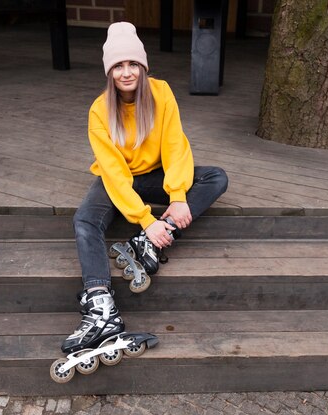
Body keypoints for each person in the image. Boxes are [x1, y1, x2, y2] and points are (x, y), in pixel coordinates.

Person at [61, 22, 228, 354]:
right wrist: (144, 219)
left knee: (215, 177)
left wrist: (177, 198)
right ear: (109, 72)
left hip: (155, 176)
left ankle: (148, 244)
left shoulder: (161, 93)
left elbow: (175, 146)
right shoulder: (99, 111)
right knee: (84, 219)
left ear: (142, 66)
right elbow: (112, 171)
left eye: (132, 64)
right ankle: (101, 308)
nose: (126, 72)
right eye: (118, 66)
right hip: (118, 180)